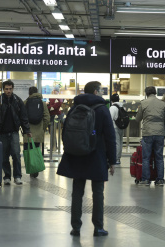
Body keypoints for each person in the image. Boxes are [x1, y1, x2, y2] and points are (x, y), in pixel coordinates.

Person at [57, 81, 116, 237]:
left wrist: (71, 149)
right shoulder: (103, 110)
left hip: (77, 155)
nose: (102, 93)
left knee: (77, 192)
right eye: (101, 90)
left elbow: (65, 132)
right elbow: (110, 137)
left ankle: (75, 227)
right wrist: (112, 161)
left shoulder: (75, 108)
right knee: (98, 193)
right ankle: (98, 228)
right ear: (96, 92)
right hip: (97, 156)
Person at [0, 80, 32, 185]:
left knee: (16, 155)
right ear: (3, 89)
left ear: (13, 89)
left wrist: (27, 130)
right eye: (6, 89)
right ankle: (7, 176)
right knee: (4, 156)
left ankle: (17, 176)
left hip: (14, 132)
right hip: (2, 133)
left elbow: (23, 116)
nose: (8, 91)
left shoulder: (17, 101)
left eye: (10, 89)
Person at [135, 86, 165, 186]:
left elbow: (138, 119)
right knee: (159, 157)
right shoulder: (162, 103)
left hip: (148, 133)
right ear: (155, 93)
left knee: (146, 157)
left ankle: (146, 179)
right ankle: (160, 180)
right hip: (159, 133)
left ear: (146, 93)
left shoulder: (143, 103)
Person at [23, 87, 50, 178]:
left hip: (28, 132)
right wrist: (42, 128)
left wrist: (25, 128)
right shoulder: (42, 103)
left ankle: (30, 168)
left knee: (27, 151)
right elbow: (47, 117)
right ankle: (35, 171)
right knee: (36, 150)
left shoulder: (25, 102)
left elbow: (22, 117)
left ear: (29, 93)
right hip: (38, 132)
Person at [109, 93, 124, 165]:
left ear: (111, 100)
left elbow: (110, 119)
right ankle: (118, 158)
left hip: (115, 127)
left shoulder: (112, 107)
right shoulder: (121, 106)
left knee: (116, 143)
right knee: (120, 143)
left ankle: (116, 159)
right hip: (121, 127)